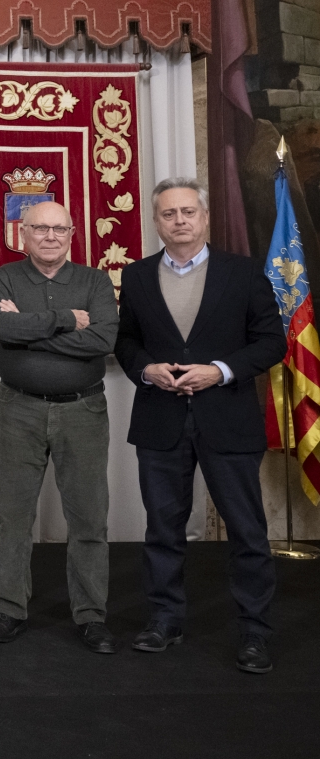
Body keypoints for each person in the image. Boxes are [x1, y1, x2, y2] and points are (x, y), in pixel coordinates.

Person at [115, 177, 287, 674]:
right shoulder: (137, 276)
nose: (180, 221)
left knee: (248, 531)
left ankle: (254, 632)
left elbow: (271, 342)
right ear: (156, 221)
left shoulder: (244, 272)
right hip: (160, 420)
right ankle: (165, 620)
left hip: (228, 418)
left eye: (189, 212)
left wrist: (221, 370)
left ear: (206, 217)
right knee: (162, 529)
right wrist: (145, 369)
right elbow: (127, 343)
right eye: (169, 214)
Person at [0, 201, 119, 652]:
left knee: (88, 515)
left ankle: (91, 615)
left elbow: (103, 338)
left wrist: (28, 331)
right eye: (40, 228)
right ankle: (10, 609)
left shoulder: (94, 281)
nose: (51, 236)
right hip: (18, 409)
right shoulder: (5, 277)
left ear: (73, 233)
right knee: (13, 515)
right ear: (23, 233)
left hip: (82, 411)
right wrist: (63, 321)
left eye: (60, 228)